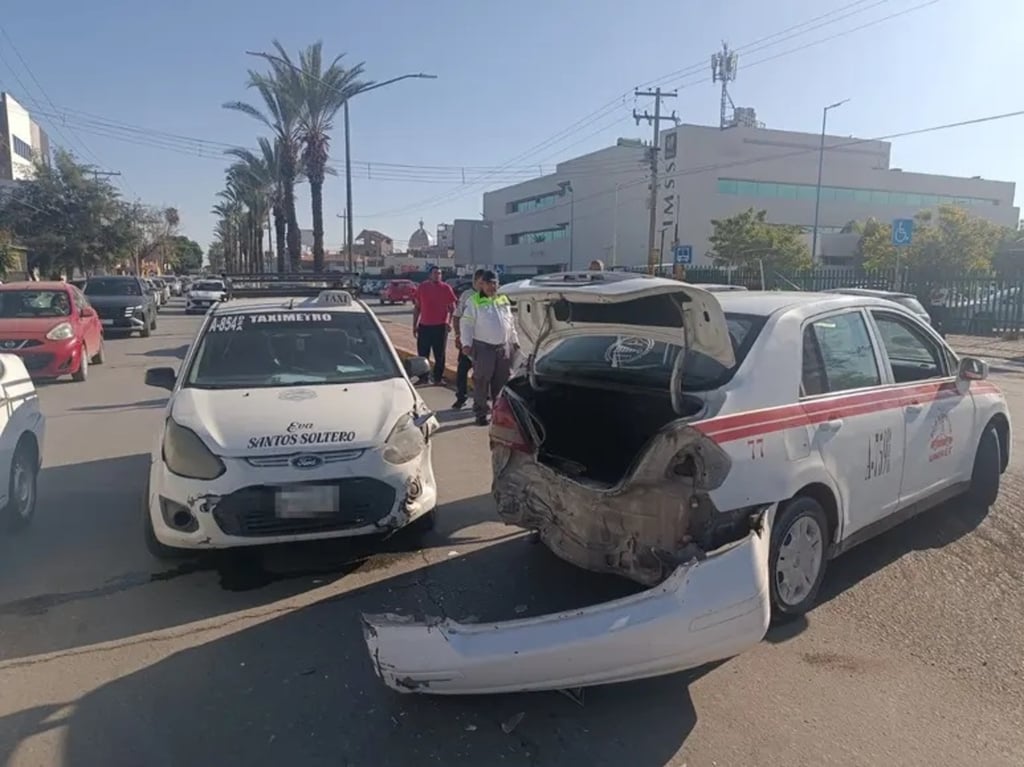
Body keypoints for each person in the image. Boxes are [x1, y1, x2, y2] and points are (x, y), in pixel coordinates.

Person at [460, 270, 519, 425]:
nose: (492, 286)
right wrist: (466, 343)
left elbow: (510, 322)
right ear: (482, 285)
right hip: (483, 347)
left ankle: (498, 412)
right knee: (481, 380)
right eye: (488, 283)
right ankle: (480, 413)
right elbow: (466, 324)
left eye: (494, 283)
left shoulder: (502, 300)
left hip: (503, 347)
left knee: (502, 380)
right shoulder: (474, 301)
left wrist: (514, 340)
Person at [412, 266, 457, 385]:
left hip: (440, 326)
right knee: (422, 353)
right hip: (424, 326)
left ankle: (438, 378)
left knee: (440, 354)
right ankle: (423, 378)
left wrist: (449, 322)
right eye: (435, 273)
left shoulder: (446, 288)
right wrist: (414, 325)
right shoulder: (422, 287)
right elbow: (417, 307)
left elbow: (452, 308)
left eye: (440, 273)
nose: (438, 275)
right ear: (430, 275)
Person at [451, 269, 486, 409]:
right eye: (481, 282)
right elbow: (456, 316)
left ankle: (481, 400)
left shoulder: (490, 296)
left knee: (483, 374)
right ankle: (461, 397)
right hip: (468, 340)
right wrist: (458, 335)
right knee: (462, 370)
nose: (483, 285)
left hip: (484, 342)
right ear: (475, 281)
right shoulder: (467, 295)